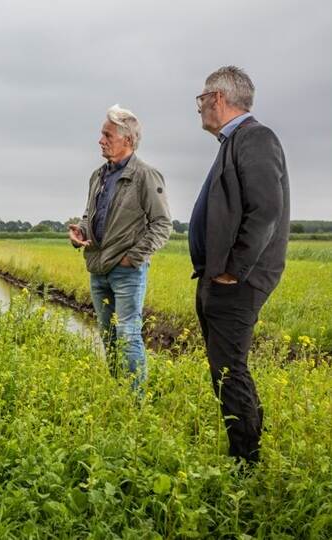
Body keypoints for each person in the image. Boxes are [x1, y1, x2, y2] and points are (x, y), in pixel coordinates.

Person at [189, 66, 289, 464]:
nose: (199, 109)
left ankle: (245, 462)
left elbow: (266, 209)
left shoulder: (256, 137)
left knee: (230, 371)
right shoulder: (233, 142)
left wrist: (234, 270)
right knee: (224, 370)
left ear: (217, 99)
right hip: (220, 279)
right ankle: (246, 448)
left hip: (237, 282)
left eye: (201, 100)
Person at [69, 105, 172, 390]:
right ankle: (120, 392)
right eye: (102, 134)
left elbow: (162, 224)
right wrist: (80, 231)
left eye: (107, 135)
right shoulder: (98, 176)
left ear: (127, 139)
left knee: (127, 333)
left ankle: (135, 400)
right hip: (98, 269)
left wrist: (132, 258)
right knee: (108, 336)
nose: (100, 140)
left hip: (126, 271)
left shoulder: (146, 176)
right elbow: (92, 215)